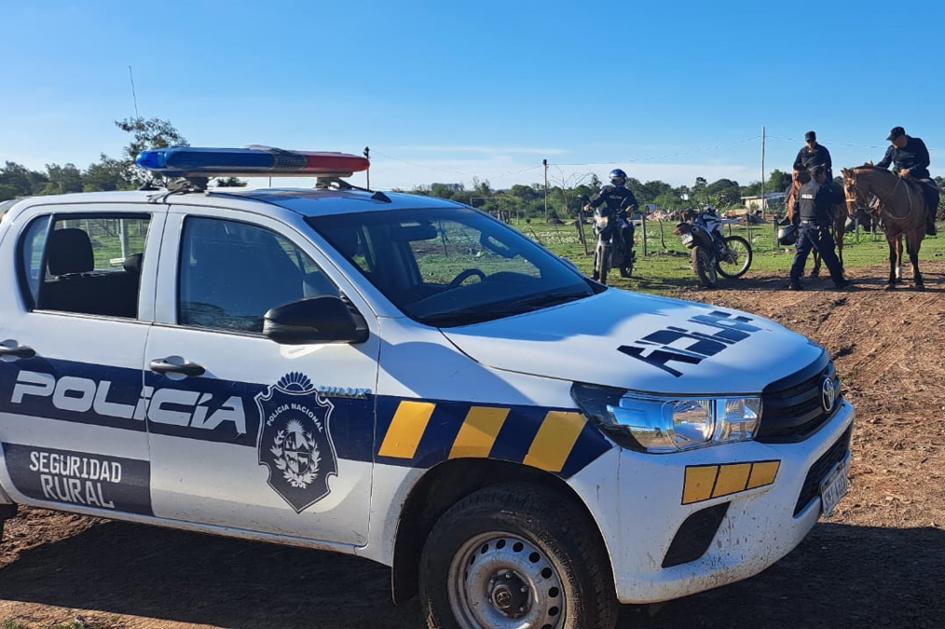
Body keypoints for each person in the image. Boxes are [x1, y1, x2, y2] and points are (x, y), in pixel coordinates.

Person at [788, 166, 851, 291]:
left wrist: (797, 225)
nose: (825, 177)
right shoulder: (821, 189)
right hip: (818, 228)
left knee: (801, 254)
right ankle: (839, 281)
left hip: (803, 227)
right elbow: (837, 200)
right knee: (829, 254)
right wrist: (846, 189)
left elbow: (796, 208)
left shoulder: (802, 188)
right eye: (824, 175)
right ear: (819, 175)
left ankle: (794, 281)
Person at [876, 126, 939, 235]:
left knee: (932, 191)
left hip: (919, 177)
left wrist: (910, 171)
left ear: (902, 137)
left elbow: (925, 161)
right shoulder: (892, 149)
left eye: (894, 140)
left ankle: (929, 222)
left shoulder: (917, 143)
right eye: (891, 140)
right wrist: (873, 168)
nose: (893, 143)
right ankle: (883, 220)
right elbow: (884, 164)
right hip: (898, 179)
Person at [586, 168, 638, 277]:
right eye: (615, 180)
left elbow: (634, 204)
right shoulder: (607, 190)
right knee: (599, 237)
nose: (618, 182)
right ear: (612, 180)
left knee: (626, 229)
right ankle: (596, 272)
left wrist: (631, 208)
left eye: (620, 179)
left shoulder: (627, 193)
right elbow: (598, 200)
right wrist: (590, 205)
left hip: (621, 217)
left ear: (624, 180)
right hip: (607, 217)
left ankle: (627, 261)